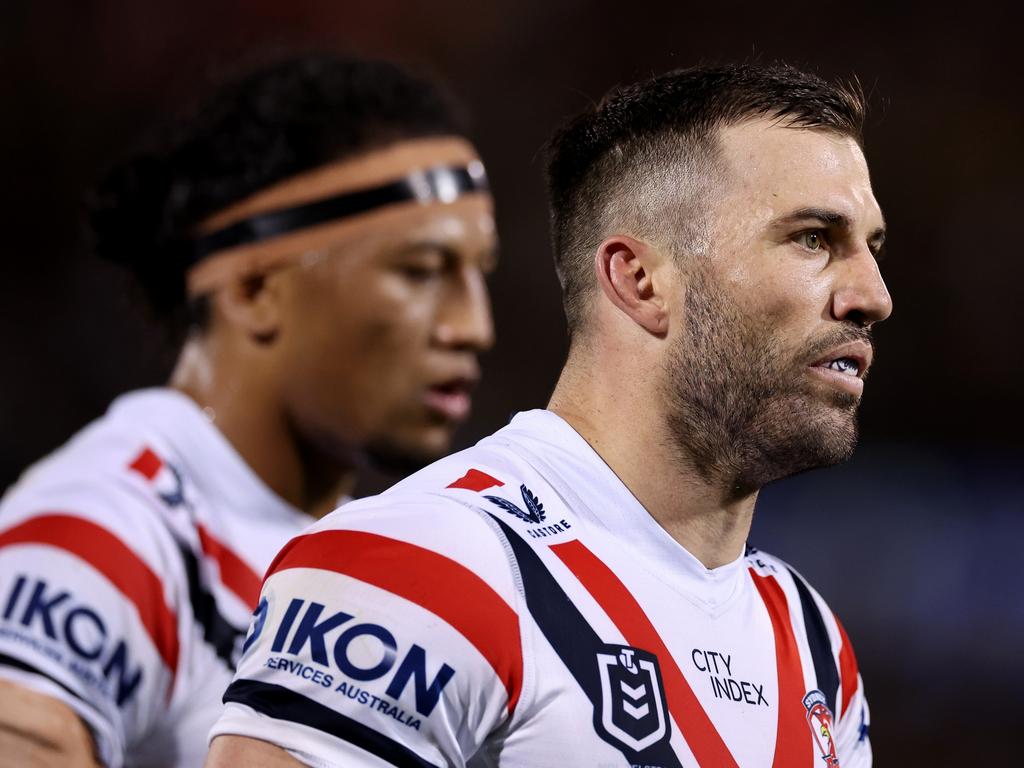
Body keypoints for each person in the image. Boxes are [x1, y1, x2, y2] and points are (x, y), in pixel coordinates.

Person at [207, 61, 890, 768]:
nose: (874, 295)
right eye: (814, 238)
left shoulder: (811, 644)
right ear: (640, 280)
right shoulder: (428, 563)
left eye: (871, 248)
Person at [0, 54, 496, 767]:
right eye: (421, 271)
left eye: (480, 275)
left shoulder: (363, 547)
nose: (473, 327)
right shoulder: (101, 534)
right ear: (256, 289)